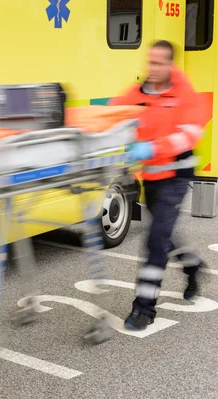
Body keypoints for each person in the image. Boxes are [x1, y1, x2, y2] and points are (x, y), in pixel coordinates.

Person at [109, 40, 207, 331]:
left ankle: (144, 308)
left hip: (175, 178)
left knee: (154, 241)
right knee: (163, 236)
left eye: (160, 63)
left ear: (171, 65)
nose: (153, 68)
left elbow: (189, 135)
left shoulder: (184, 93)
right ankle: (192, 265)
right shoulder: (137, 93)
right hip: (150, 180)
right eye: (150, 62)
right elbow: (113, 117)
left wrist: (151, 148)